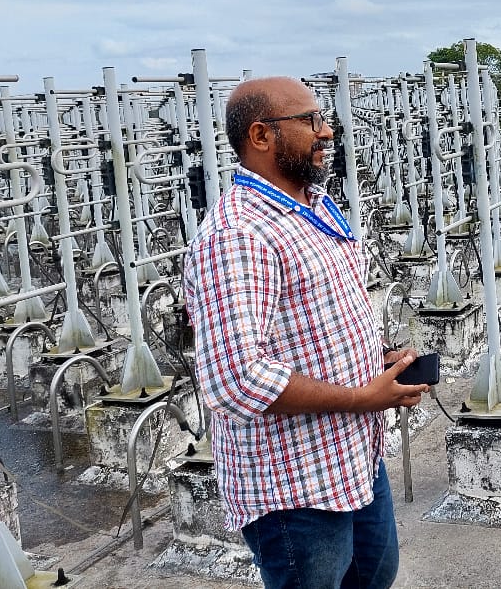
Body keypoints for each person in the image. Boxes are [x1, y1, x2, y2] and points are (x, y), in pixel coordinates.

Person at [183, 76, 428, 589]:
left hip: (353, 458)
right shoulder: (238, 235)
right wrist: (363, 396)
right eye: (310, 120)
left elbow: (314, 320)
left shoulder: (313, 206)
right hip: (295, 486)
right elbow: (236, 378)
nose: (327, 131)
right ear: (261, 136)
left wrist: (376, 360)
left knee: (375, 574)